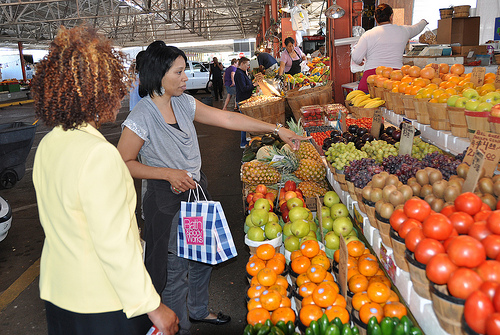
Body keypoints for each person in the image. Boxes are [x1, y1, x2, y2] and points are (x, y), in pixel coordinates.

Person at [116, 42, 307, 335]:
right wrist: (166, 173)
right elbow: (123, 162)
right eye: (179, 72)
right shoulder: (141, 116)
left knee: (201, 255)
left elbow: (228, 118)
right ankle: (177, 327)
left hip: (194, 196)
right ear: (159, 74)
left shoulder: (183, 103)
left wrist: (276, 129)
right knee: (176, 270)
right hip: (167, 204)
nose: (185, 77)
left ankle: (199, 310)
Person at [31, 26, 179, 335]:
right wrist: (153, 305)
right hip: (103, 303)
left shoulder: (49, 144)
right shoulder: (99, 154)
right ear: (103, 89)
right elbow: (114, 245)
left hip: (59, 295)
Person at [351, 3, 428, 93]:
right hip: (396, 78)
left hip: (372, 78)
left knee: (366, 105)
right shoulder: (404, 31)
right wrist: (424, 21)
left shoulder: (368, 34)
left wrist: (359, 62)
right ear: (391, 17)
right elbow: (417, 28)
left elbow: (356, 57)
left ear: (376, 19)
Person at [234, 56, 257, 148]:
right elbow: (243, 88)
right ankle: (243, 143)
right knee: (244, 122)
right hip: (242, 101)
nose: (248, 67)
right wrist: (254, 85)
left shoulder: (242, 72)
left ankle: (244, 142)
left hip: (244, 100)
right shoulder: (239, 74)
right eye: (247, 65)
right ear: (242, 64)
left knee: (245, 121)